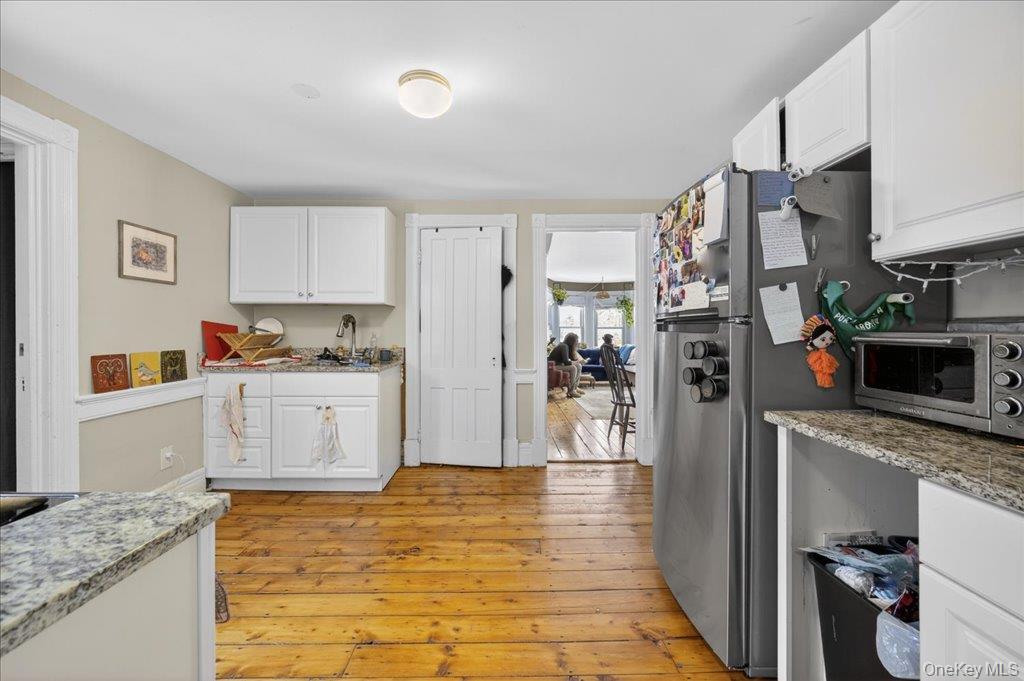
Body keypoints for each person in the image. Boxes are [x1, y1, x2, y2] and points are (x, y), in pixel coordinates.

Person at [548, 332, 585, 398]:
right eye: (576, 341)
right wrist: (576, 362)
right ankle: (571, 390)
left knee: (579, 366)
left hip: (559, 365)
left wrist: (577, 361)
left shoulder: (567, 347)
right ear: (572, 341)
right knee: (573, 368)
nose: (577, 342)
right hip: (553, 366)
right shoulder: (563, 346)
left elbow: (570, 360)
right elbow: (566, 362)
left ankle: (575, 388)